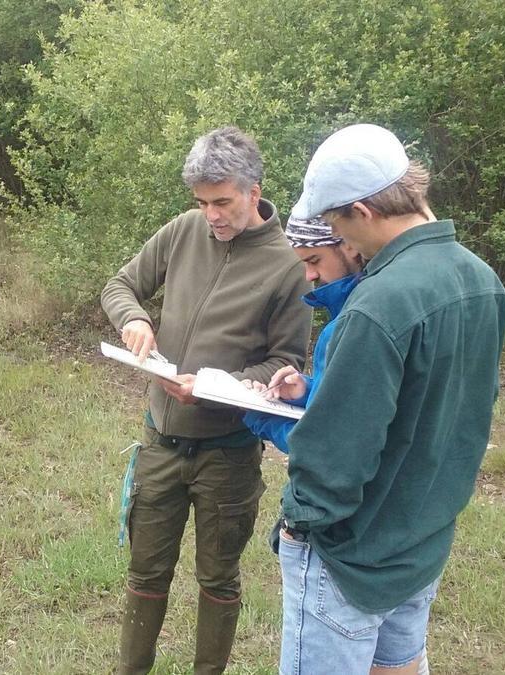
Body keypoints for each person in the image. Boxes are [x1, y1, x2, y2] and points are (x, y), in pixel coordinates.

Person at [262, 123, 505, 674]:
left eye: (333, 223)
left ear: (361, 211)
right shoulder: (482, 280)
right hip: (421, 537)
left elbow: (335, 453)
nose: (340, 239)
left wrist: (299, 527)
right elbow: (461, 415)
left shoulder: (378, 304)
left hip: (352, 555)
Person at [101, 126, 312, 674]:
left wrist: (216, 384)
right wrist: (135, 319)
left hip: (227, 452)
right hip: (160, 443)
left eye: (222, 202)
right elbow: (120, 285)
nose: (211, 215)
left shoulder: (288, 265)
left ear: (253, 190)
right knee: (146, 572)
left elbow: (287, 365)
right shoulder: (183, 232)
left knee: (218, 577)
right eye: (202, 202)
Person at [240, 215, 363, 455]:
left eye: (314, 260)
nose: (309, 276)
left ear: (348, 246)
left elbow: (319, 444)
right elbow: (350, 402)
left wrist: (259, 416)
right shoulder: (353, 307)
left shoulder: (352, 324)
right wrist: (305, 391)